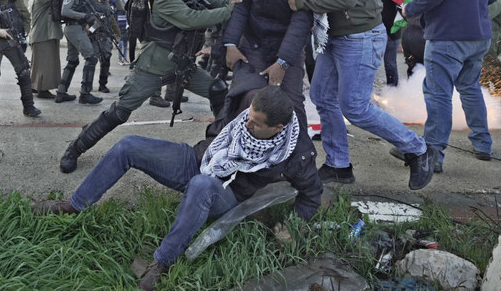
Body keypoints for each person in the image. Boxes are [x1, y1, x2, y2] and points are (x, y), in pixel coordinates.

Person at [33, 85, 322, 290]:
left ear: (279, 128)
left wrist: (292, 226)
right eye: (249, 116)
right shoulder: (250, 106)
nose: (246, 125)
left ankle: (161, 262)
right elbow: (223, 121)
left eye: (257, 125)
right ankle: (74, 205)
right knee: (129, 144)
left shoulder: (297, 153)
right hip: (198, 159)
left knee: (201, 185)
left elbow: (312, 195)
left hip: (227, 193)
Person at [288, 0, 436, 190]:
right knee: (323, 98)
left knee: (354, 107)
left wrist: (301, 0)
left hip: (358, 37)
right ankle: (338, 165)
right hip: (337, 34)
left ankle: (419, 150)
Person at [58, 0, 237, 174]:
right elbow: (191, 19)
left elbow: (218, 3)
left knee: (218, 89)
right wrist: (230, 9)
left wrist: (237, 1)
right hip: (153, 67)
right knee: (119, 112)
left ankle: (220, 146)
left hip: (182, 66)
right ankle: (74, 149)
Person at [402, 0, 501, 173]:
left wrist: (409, 8)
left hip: (447, 36)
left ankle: (433, 154)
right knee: (470, 88)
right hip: (479, 36)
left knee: (438, 94)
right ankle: (483, 145)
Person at [223, 0, 313, 130]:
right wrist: (230, 43)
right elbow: (241, 4)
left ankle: (299, 159)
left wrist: (283, 62)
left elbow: (301, 19)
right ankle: (232, 151)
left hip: (287, 45)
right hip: (254, 43)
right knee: (246, 95)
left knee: (291, 103)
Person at [55, 0, 103, 105]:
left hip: (74, 28)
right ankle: (85, 93)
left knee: (73, 60)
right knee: (91, 57)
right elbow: (66, 10)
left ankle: (61, 93)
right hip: (74, 28)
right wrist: (85, 17)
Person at [28, 0, 66, 99]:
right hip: (42, 36)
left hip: (42, 36)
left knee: (39, 65)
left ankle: (35, 86)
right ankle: (43, 90)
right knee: (45, 65)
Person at [86, 0, 121, 93]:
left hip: (106, 36)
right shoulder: (88, 3)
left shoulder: (106, 2)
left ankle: (103, 84)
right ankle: (87, 87)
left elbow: (111, 18)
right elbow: (83, 20)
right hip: (93, 36)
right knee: (92, 61)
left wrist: (117, 33)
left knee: (106, 60)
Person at [374, 0, 401, 86]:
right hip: (372, 33)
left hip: (391, 34)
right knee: (370, 64)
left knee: (390, 64)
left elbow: (404, 8)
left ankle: (393, 91)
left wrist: (397, 28)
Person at [479, 0, 501, 95]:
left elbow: (484, 15)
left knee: (487, 63)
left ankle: (492, 90)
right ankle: (498, 88)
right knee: (487, 63)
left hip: (488, 35)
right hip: (483, 34)